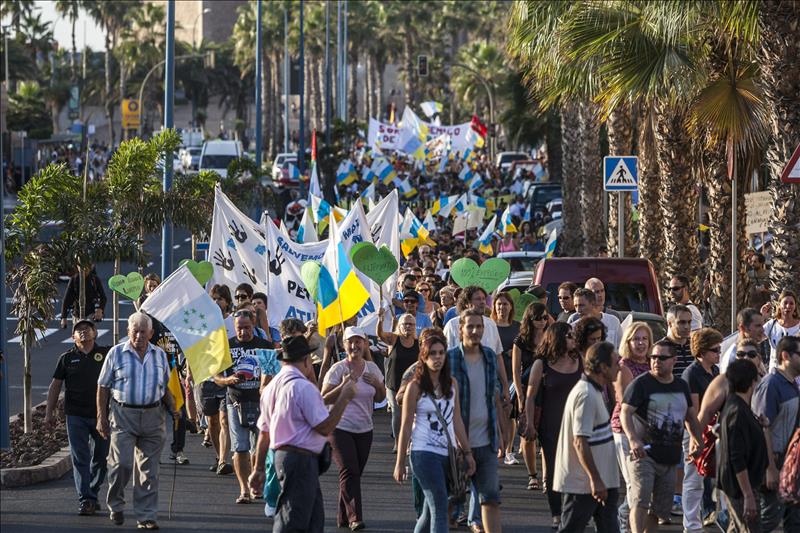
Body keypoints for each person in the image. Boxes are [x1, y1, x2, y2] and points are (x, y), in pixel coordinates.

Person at [248, 335, 358, 533]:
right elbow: (324, 427)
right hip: (300, 459)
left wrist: (258, 468)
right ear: (307, 361)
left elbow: (264, 433)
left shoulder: (271, 387)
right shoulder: (302, 387)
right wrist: (344, 398)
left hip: (287, 457)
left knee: (313, 520)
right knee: (293, 520)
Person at [96, 312, 180, 529]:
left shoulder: (160, 355)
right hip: (123, 415)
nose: (139, 336)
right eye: (135, 331)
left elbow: (164, 388)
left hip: (153, 417)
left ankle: (146, 516)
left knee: (149, 471)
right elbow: (103, 387)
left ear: (151, 333)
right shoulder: (116, 354)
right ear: (128, 331)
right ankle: (116, 504)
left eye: (144, 332)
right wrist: (101, 417)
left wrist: (173, 407)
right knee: (121, 464)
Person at [393, 329, 476, 533]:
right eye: (432, 354)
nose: (437, 357)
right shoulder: (415, 387)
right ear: (424, 356)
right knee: (440, 507)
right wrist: (400, 462)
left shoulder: (452, 384)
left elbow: (456, 421)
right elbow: (404, 426)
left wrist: (468, 453)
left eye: (441, 353)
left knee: (430, 512)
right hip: (423, 453)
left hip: (447, 453)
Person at [620, 340, 705, 533]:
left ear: (674, 360)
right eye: (653, 357)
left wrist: (696, 440)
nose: (656, 361)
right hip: (644, 454)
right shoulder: (641, 384)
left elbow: (691, 418)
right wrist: (633, 439)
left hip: (670, 457)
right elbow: (625, 412)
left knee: (659, 509)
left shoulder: (681, 385)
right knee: (641, 499)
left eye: (662, 358)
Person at [321, 326, 386, 530]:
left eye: (358, 341)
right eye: (350, 341)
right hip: (340, 427)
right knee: (349, 470)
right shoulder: (338, 368)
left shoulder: (372, 368)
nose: (354, 345)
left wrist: (377, 384)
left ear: (365, 344)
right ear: (343, 344)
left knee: (353, 473)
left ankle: (342, 515)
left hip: (365, 428)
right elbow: (323, 398)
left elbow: (381, 398)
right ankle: (354, 517)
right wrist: (342, 387)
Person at [553, 341, 621, 532]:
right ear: (602, 367)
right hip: (584, 484)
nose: (619, 366)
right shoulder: (586, 394)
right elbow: (580, 441)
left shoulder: (596, 391)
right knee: (571, 529)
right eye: (615, 362)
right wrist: (595, 479)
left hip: (603, 480)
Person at [449, 309, 506, 533]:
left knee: (490, 499)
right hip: (456, 444)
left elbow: (493, 397)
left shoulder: (490, 356)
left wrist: (501, 434)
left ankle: (478, 523)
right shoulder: (450, 357)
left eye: (479, 326)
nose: (475, 331)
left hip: (487, 440)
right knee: (451, 506)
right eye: (470, 326)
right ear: (460, 329)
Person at [44, 319, 110, 515]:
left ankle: (93, 491)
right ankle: (86, 499)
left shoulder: (106, 354)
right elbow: (55, 386)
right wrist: (49, 413)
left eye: (87, 328)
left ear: (95, 333)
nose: (83, 332)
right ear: (73, 337)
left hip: (101, 416)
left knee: (101, 458)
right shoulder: (66, 358)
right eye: (78, 330)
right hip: (75, 416)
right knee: (80, 457)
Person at [524, 321, 582, 530]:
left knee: (576, 471)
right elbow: (530, 396)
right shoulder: (543, 363)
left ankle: (573, 512)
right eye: (569, 335)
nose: (573, 339)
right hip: (551, 425)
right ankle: (557, 514)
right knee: (556, 471)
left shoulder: (580, 360)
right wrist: (530, 423)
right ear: (557, 338)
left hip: (577, 426)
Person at [214, 309, 274, 504]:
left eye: (247, 328)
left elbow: (274, 373)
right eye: (239, 328)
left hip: (261, 404)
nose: (243, 332)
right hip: (235, 402)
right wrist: (228, 379)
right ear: (234, 327)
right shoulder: (227, 346)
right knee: (240, 447)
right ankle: (244, 490)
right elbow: (215, 377)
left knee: (260, 448)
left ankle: (257, 484)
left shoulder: (265, 346)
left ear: (254, 324)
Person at [751, 335, 800, 532]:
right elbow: (762, 428)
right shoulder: (771, 385)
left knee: (794, 519)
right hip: (775, 461)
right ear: (785, 355)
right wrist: (770, 468)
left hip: (790, 464)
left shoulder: (792, 384)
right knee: (769, 519)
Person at [717, 359, 769, 533]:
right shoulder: (737, 412)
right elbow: (737, 457)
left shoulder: (738, 406)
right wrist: (748, 495)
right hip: (740, 487)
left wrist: (761, 425)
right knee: (749, 528)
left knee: (737, 528)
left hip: (741, 484)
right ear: (752, 382)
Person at [611, 321, 653, 533]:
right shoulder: (623, 367)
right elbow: (624, 400)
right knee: (633, 482)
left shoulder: (652, 365)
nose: (641, 343)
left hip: (650, 431)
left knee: (646, 484)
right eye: (636, 338)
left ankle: (631, 518)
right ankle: (625, 521)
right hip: (625, 430)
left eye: (644, 339)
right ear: (628, 341)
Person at [680, 328, 722, 533]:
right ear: (702, 351)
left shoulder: (714, 371)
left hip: (712, 430)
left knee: (710, 478)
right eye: (715, 350)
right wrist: (696, 440)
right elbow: (693, 413)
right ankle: (692, 525)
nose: (719, 353)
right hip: (695, 430)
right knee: (693, 479)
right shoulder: (691, 374)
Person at [511, 303, 547, 489]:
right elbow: (516, 370)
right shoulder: (521, 341)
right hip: (526, 389)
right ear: (530, 320)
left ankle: (547, 478)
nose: (542, 322)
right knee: (527, 433)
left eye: (544, 317)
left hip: (547, 389)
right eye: (538, 318)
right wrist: (519, 395)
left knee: (548, 435)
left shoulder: (550, 338)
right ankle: (533, 475)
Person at [377, 310, 419, 451]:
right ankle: (398, 442)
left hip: (412, 385)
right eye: (405, 324)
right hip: (393, 383)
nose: (408, 327)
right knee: (397, 412)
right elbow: (380, 335)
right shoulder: (394, 339)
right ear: (399, 326)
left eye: (411, 324)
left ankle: (410, 442)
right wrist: (380, 319)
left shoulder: (419, 343)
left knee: (412, 414)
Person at [491, 292, 522, 465]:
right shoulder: (489, 326)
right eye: (499, 304)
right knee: (497, 412)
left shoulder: (518, 326)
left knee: (509, 412)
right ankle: (499, 445)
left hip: (513, 375)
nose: (502, 307)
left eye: (505, 304)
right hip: (493, 375)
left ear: (511, 307)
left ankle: (509, 450)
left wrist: (515, 352)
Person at [719, 308, 767, 374]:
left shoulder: (754, 351)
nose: (763, 330)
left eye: (762, 325)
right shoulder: (732, 357)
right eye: (758, 326)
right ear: (743, 328)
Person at [761, 289, 800, 371]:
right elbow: (755, 338)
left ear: (795, 306)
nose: (788, 306)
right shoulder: (772, 325)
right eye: (785, 303)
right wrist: (763, 317)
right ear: (779, 305)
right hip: (775, 376)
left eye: (791, 303)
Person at [661, 304, 694, 379]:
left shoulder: (695, 345)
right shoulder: (661, 348)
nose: (686, 326)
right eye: (682, 322)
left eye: (689, 322)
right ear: (670, 324)